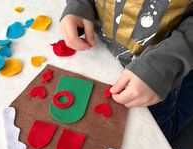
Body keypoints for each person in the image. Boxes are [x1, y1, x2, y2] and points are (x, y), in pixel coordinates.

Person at [59, 0, 193, 141]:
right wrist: (79, 5)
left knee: (159, 131)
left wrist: (170, 60)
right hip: (104, 50)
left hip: (160, 68)